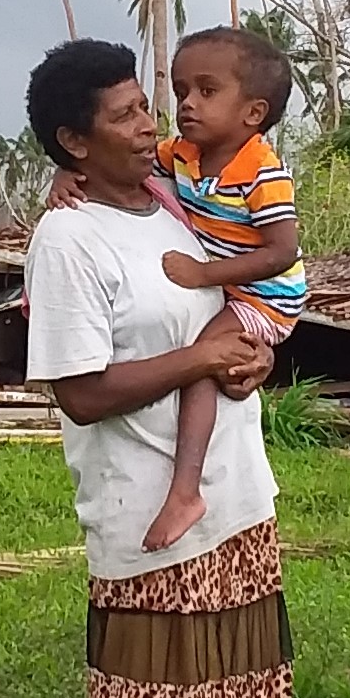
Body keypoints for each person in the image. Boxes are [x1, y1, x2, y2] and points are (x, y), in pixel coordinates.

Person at [21, 38, 293, 698]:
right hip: (146, 510)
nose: (152, 125)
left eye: (151, 105)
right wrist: (201, 353)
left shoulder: (180, 201)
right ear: (73, 142)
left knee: (239, 680)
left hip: (237, 492)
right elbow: (80, 391)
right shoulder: (66, 239)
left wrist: (243, 360)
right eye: (128, 114)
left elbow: (242, 301)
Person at [48, 27, 307, 554]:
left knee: (208, 366)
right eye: (181, 92)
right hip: (134, 513)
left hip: (266, 301)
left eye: (205, 93)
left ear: (252, 113)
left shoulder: (251, 175)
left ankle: (187, 489)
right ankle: (184, 491)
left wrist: (221, 309)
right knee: (206, 363)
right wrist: (61, 172)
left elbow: (282, 253)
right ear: (75, 139)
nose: (162, 119)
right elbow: (79, 394)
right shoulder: (172, 170)